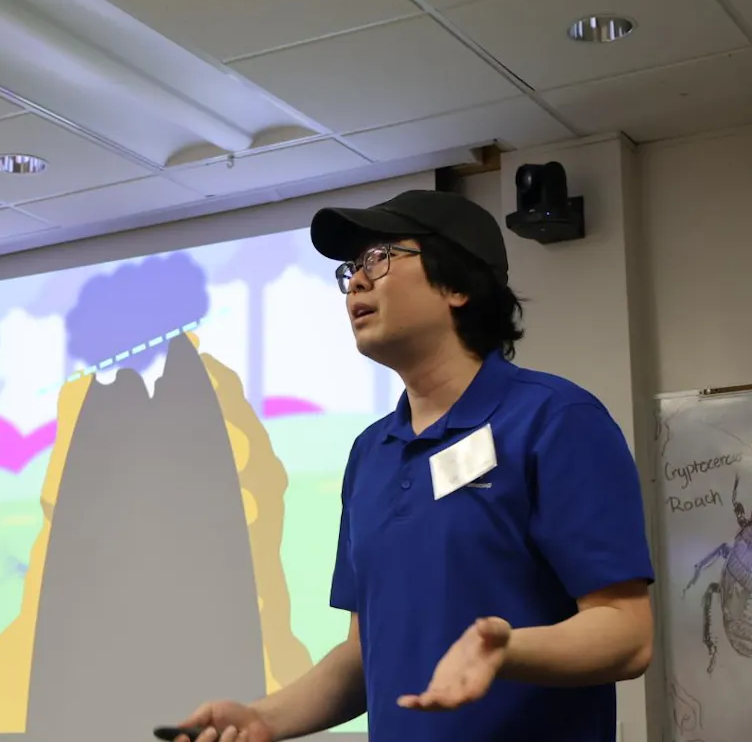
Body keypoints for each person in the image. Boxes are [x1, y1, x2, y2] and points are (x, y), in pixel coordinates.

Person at [173, 189, 655, 742]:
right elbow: (363, 651)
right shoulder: (369, 453)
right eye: (351, 269)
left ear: (458, 286)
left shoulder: (555, 420)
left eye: (379, 258)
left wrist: (507, 651)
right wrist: (265, 719)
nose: (356, 281)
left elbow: (627, 633)